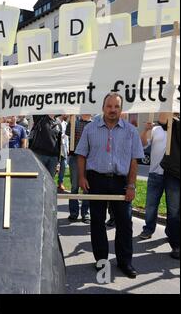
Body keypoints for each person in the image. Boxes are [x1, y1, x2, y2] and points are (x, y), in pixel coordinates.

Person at [76, 93, 144, 279]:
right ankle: (101, 260)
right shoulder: (90, 129)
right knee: (97, 222)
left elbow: (134, 161)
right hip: (95, 180)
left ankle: (125, 262)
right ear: (103, 107)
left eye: (116, 106)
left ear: (121, 109)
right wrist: (82, 177)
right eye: (109, 106)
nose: (112, 109)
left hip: (120, 182)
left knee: (124, 223)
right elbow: (81, 155)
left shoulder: (131, 131)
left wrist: (131, 185)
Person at [138, 120, 167, 240]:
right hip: (155, 173)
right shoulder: (156, 129)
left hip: (173, 175)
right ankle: (148, 229)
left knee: (174, 207)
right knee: (151, 205)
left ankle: (173, 233)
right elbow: (142, 144)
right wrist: (146, 130)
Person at [158, 113, 180, 260]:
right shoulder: (175, 123)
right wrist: (168, 98)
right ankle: (176, 245)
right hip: (174, 173)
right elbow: (162, 119)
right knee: (173, 211)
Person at [66, 114, 92, 223]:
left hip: (89, 158)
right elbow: (68, 133)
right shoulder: (75, 122)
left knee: (87, 187)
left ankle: (85, 213)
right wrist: (70, 121)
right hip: (75, 157)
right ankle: (74, 213)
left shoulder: (94, 124)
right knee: (74, 186)